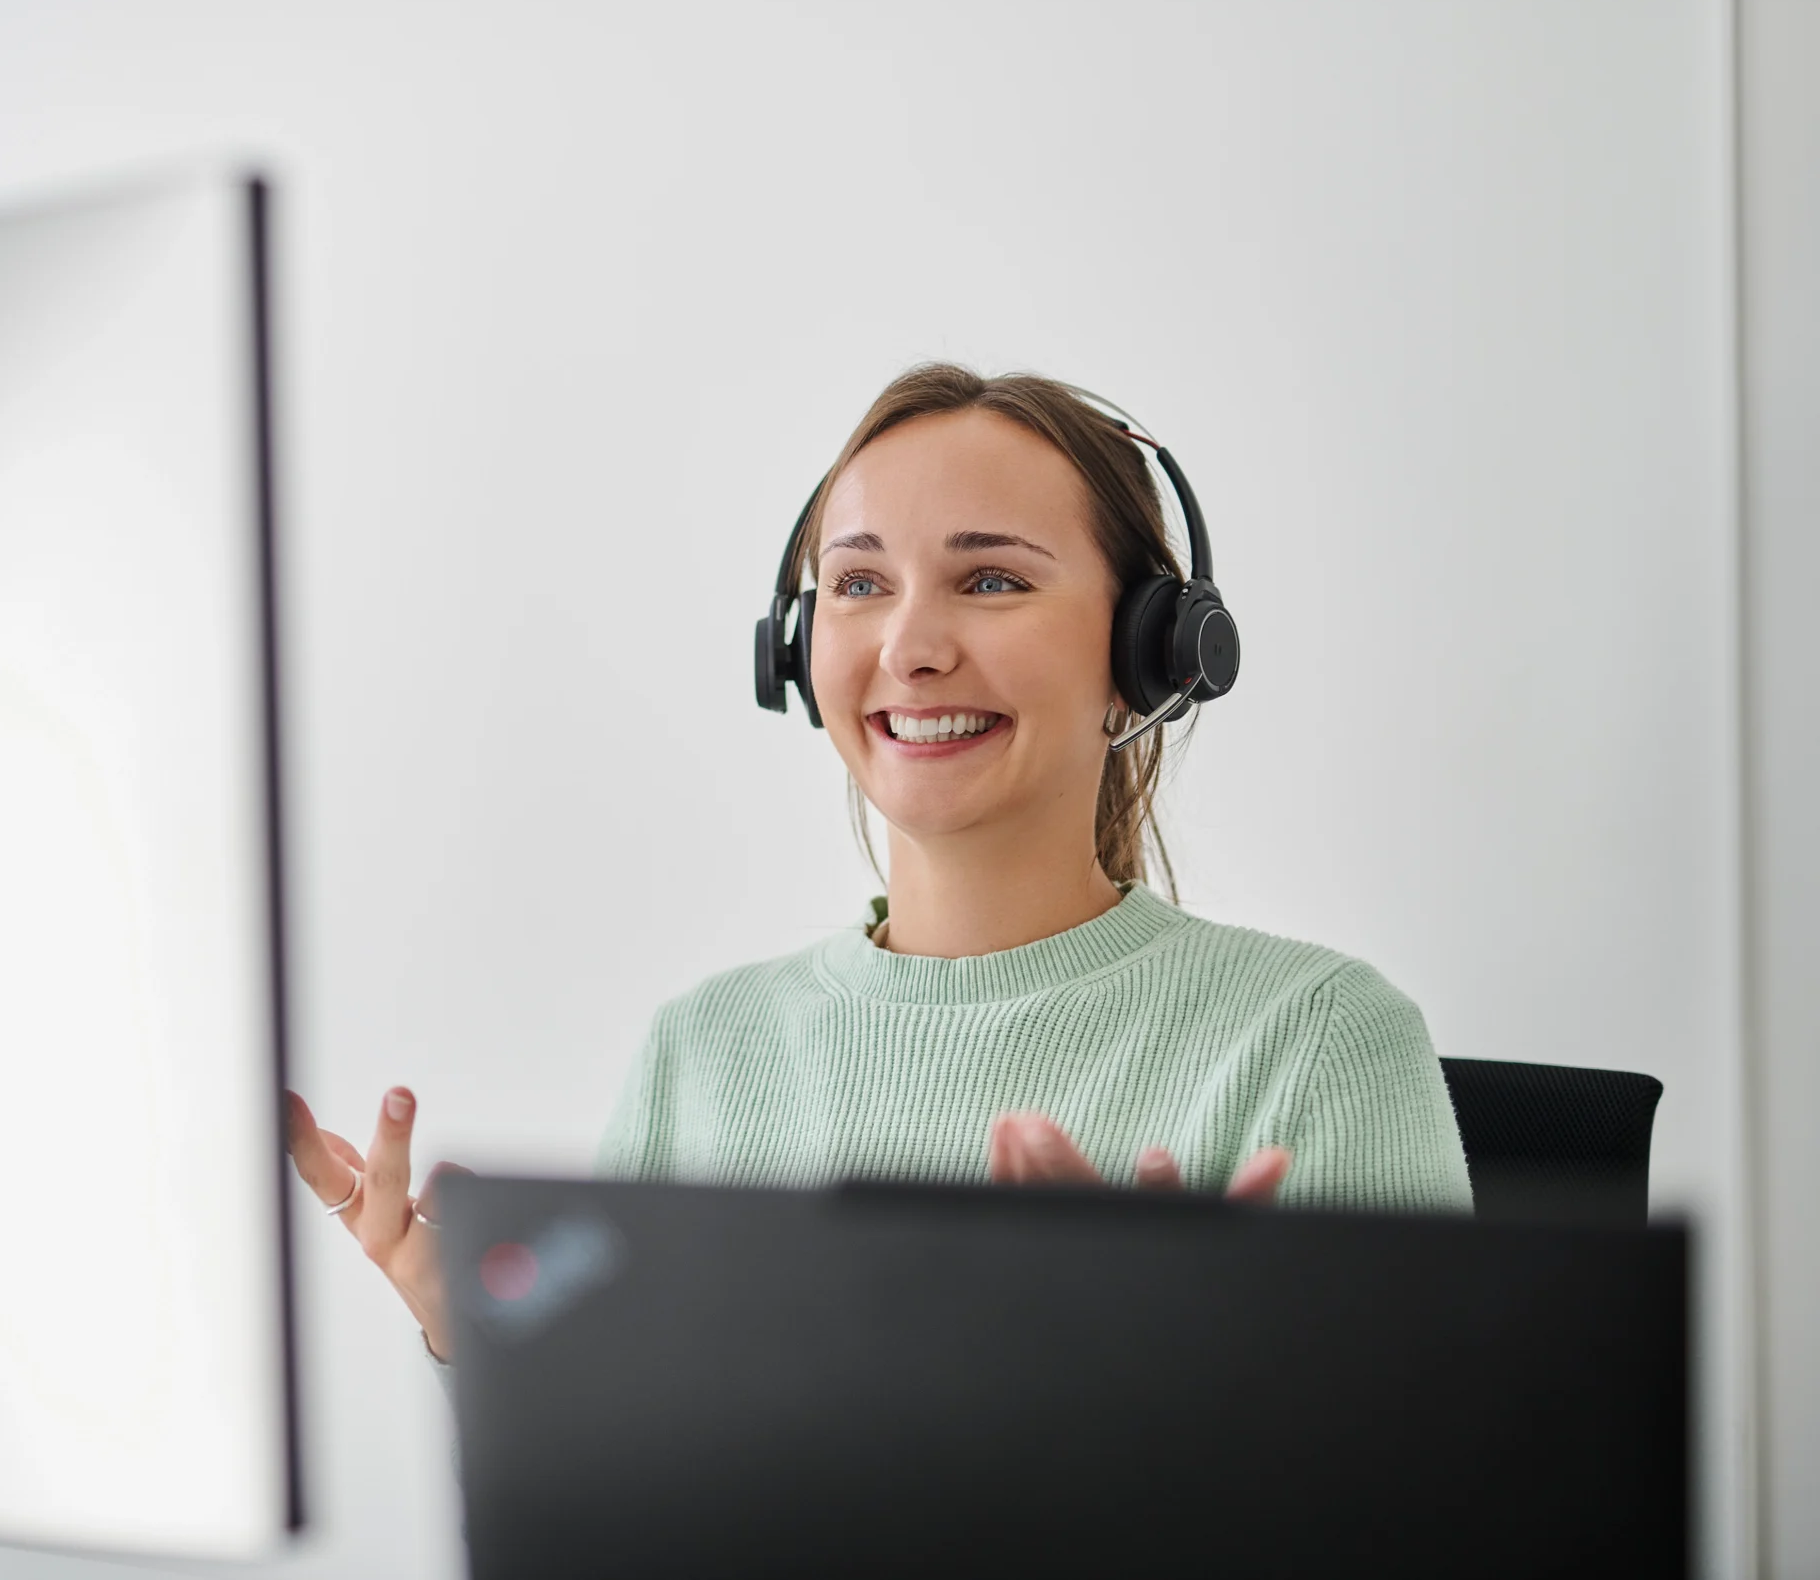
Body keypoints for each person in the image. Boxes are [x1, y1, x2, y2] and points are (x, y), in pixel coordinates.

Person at [287, 363, 1473, 1362]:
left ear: (1146, 651)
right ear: (797, 651)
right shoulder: (701, 1055)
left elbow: (1437, 1516)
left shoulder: (1314, 1041)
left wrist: (1156, 1384)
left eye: (991, 579)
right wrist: (508, 1369)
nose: (909, 646)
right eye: (857, 584)